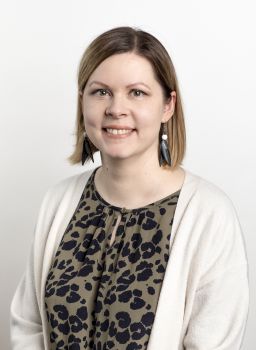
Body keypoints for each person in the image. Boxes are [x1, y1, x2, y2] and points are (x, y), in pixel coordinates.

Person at [10, 26, 249, 350]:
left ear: (168, 105)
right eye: (101, 92)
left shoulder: (209, 215)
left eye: (136, 92)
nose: (115, 108)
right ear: (83, 102)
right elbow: (29, 325)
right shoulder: (58, 202)